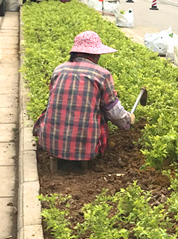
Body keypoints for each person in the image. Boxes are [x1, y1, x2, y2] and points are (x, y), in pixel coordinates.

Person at [33, 31, 135, 162]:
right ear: (95, 54)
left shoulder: (59, 70)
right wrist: (128, 119)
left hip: (49, 144)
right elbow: (114, 113)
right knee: (102, 112)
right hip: (87, 150)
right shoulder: (102, 75)